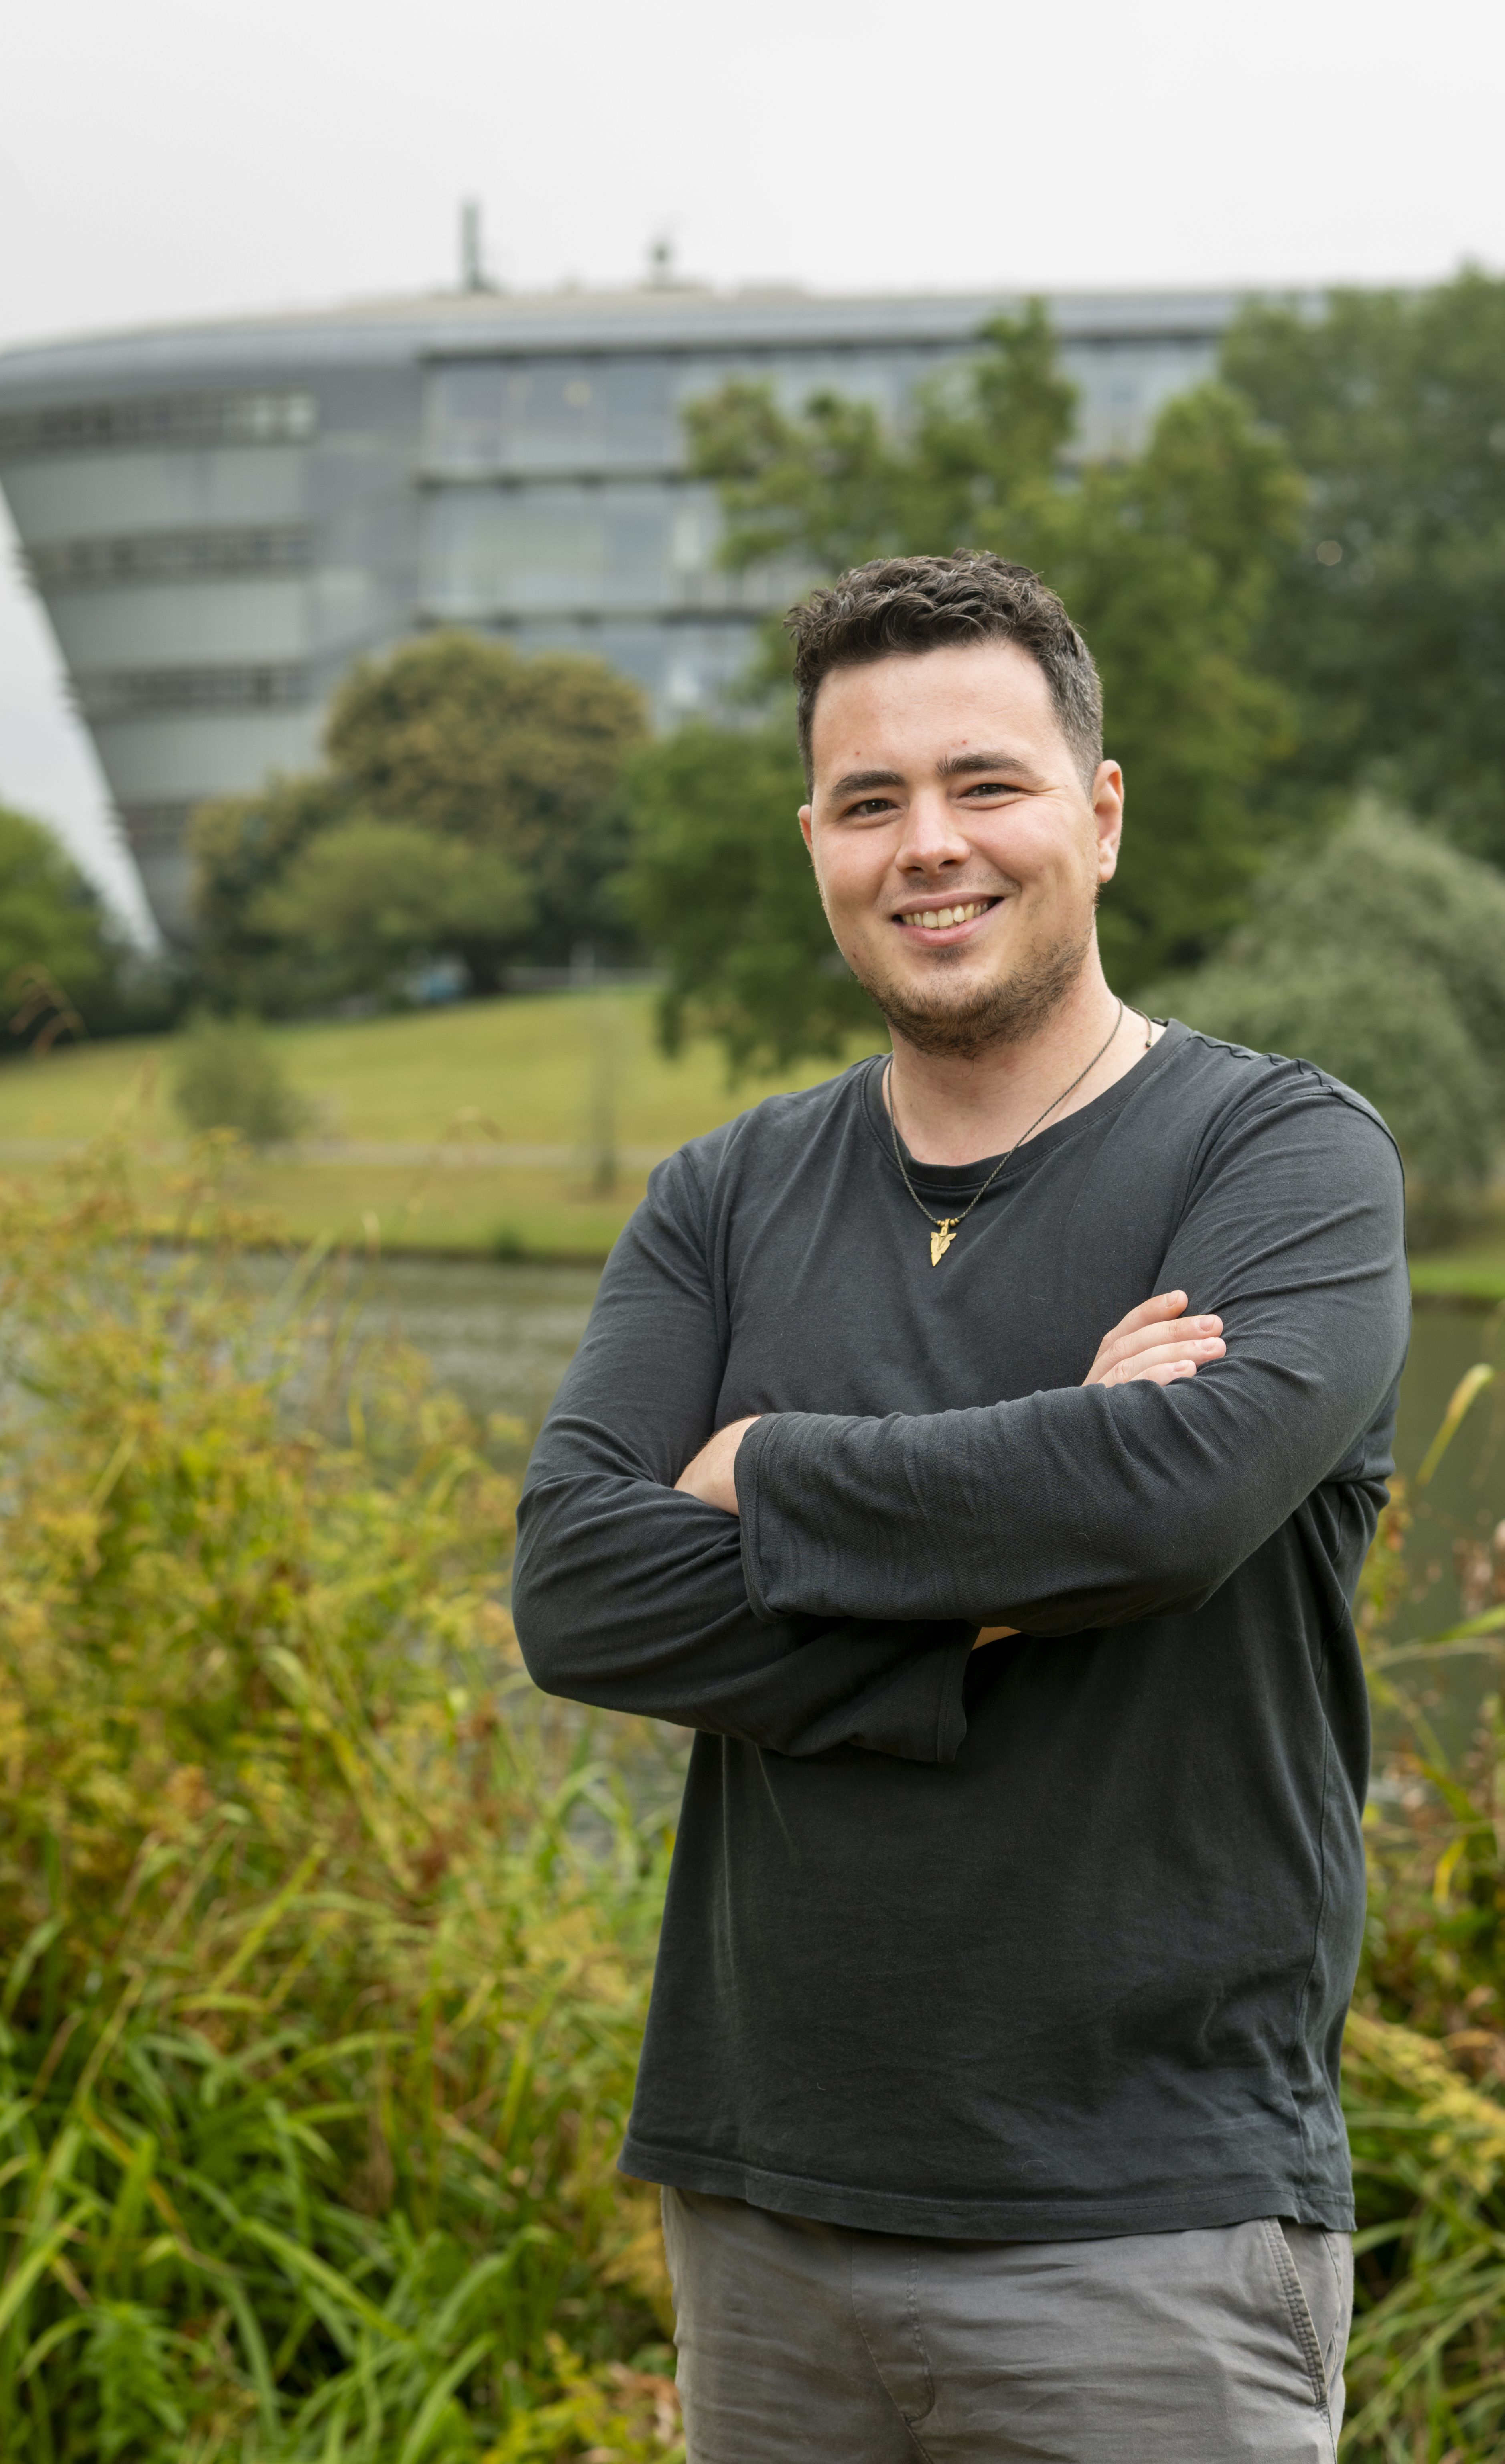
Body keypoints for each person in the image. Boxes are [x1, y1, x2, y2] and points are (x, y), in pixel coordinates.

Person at [512, 551, 1409, 2462]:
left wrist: (757, 1472)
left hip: (1149, 2224)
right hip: (762, 2209)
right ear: (819, 845)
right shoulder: (722, 1196)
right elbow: (580, 1590)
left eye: (983, 784)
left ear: (1094, 812)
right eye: (869, 802)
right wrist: (1017, 1545)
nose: (929, 845)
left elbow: (1171, 1509)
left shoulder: (1282, 1158)